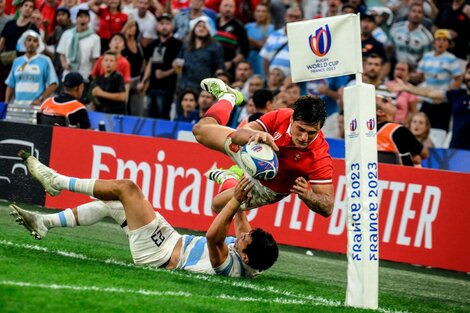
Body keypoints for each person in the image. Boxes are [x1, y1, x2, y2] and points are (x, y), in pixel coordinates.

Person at [11, 151, 279, 277]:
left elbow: (212, 236)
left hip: (159, 255)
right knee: (110, 202)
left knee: (126, 188)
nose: (243, 235)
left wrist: (234, 199)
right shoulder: (251, 256)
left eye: (246, 239)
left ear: (244, 256)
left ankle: (56, 181)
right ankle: (44, 222)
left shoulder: (229, 266)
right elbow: (240, 220)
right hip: (170, 240)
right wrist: (241, 180)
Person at [192, 78, 334, 215]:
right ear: (292, 119)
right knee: (199, 130)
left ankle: (228, 178)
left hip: (264, 188)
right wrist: (254, 135)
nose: (304, 138)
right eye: (301, 130)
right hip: (252, 150)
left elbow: (328, 207)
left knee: (217, 206)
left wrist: (308, 195)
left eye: (311, 133)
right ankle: (229, 97)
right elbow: (238, 135)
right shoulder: (282, 116)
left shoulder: (319, 155)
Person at [388, 62, 470, 150]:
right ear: (465, 75)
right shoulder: (457, 94)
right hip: (456, 149)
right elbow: (430, 93)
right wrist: (407, 88)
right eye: (469, 73)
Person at [141, 13, 182, 119]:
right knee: (150, 116)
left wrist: (165, 73)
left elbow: (180, 66)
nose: (164, 26)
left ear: (172, 26)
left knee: (163, 116)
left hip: (168, 88)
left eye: (167, 24)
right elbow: (149, 63)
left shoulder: (178, 44)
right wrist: (143, 81)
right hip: (152, 86)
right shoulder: (153, 44)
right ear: (157, 26)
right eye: (162, 23)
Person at [56, 8, 101, 102]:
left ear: (89, 20)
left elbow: (95, 59)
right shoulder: (67, 34)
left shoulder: (94, 38)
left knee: (79, 103)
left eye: (85, 17)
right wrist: (64, 64)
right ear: (76, 19)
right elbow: (62, 53)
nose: (82, 19)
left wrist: (92, 75)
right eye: (80, 17)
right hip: (67, 74)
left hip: (84, 76)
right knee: (64, 102)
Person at [4, 30, 58, 106]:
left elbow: (54, 83)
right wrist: (6, 102)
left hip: (36, 108)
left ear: (38, 45)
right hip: (17, 106)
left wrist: (40, 99)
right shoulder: (17, 61)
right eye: (29, 40)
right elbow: (10, 84)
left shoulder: (45, 61)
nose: (31, 43)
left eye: (35, 41)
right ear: (24, 43)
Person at [376, 95, 429, 166]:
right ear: (380, 112)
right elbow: (425, 153)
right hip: (399, 175)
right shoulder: (399, 130)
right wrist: (414, 154)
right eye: (385, 101)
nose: (390, 99)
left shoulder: (368, 132)